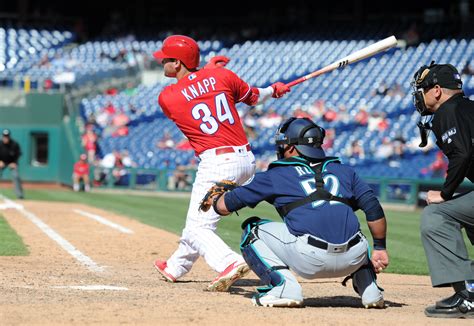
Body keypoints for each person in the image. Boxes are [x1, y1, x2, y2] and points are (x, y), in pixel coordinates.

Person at [152, 35, 291, 292]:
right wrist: (275, 90)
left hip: (217, 161)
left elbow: (193, 90)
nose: (163, 63)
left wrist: (207, 72)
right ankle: (176, 266)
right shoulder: (223, 76)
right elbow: (253, 97)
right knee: (198, 218)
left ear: (178, 63)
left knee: (198, 228)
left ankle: (229, 263)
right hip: (245, 160)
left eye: (167, 60)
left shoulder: (168, 97)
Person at [207, 117, 388, 307]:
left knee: (252, 230)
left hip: (310, 259)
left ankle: (284, 287)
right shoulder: (345, 171)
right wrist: (380, 248)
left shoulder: (276, 175)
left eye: (283, 145)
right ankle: (371, 290)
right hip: (354, 257)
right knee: (354, 233)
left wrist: (216, 197)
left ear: (292, 148)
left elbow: (223, 207)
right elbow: (373, 208)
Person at [412, 62, 474, 318]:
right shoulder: (469, 107)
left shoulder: (448, 110)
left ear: (436, 90)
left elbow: (463, 153)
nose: (419, 95)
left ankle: (467, 296)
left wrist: (445, 193)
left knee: (437, 215)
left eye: (422, 89)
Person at [0, 129, 24, 199]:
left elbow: (19, 154)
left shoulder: (14, 144)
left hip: (12, 162)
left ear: (9, 136)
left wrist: (14, 162)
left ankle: (20, 195)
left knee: (16, 176)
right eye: (4, 136)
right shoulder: (0, 144)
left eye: (7, 136)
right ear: (2, 136)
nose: (6, 138)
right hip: (2, 162)